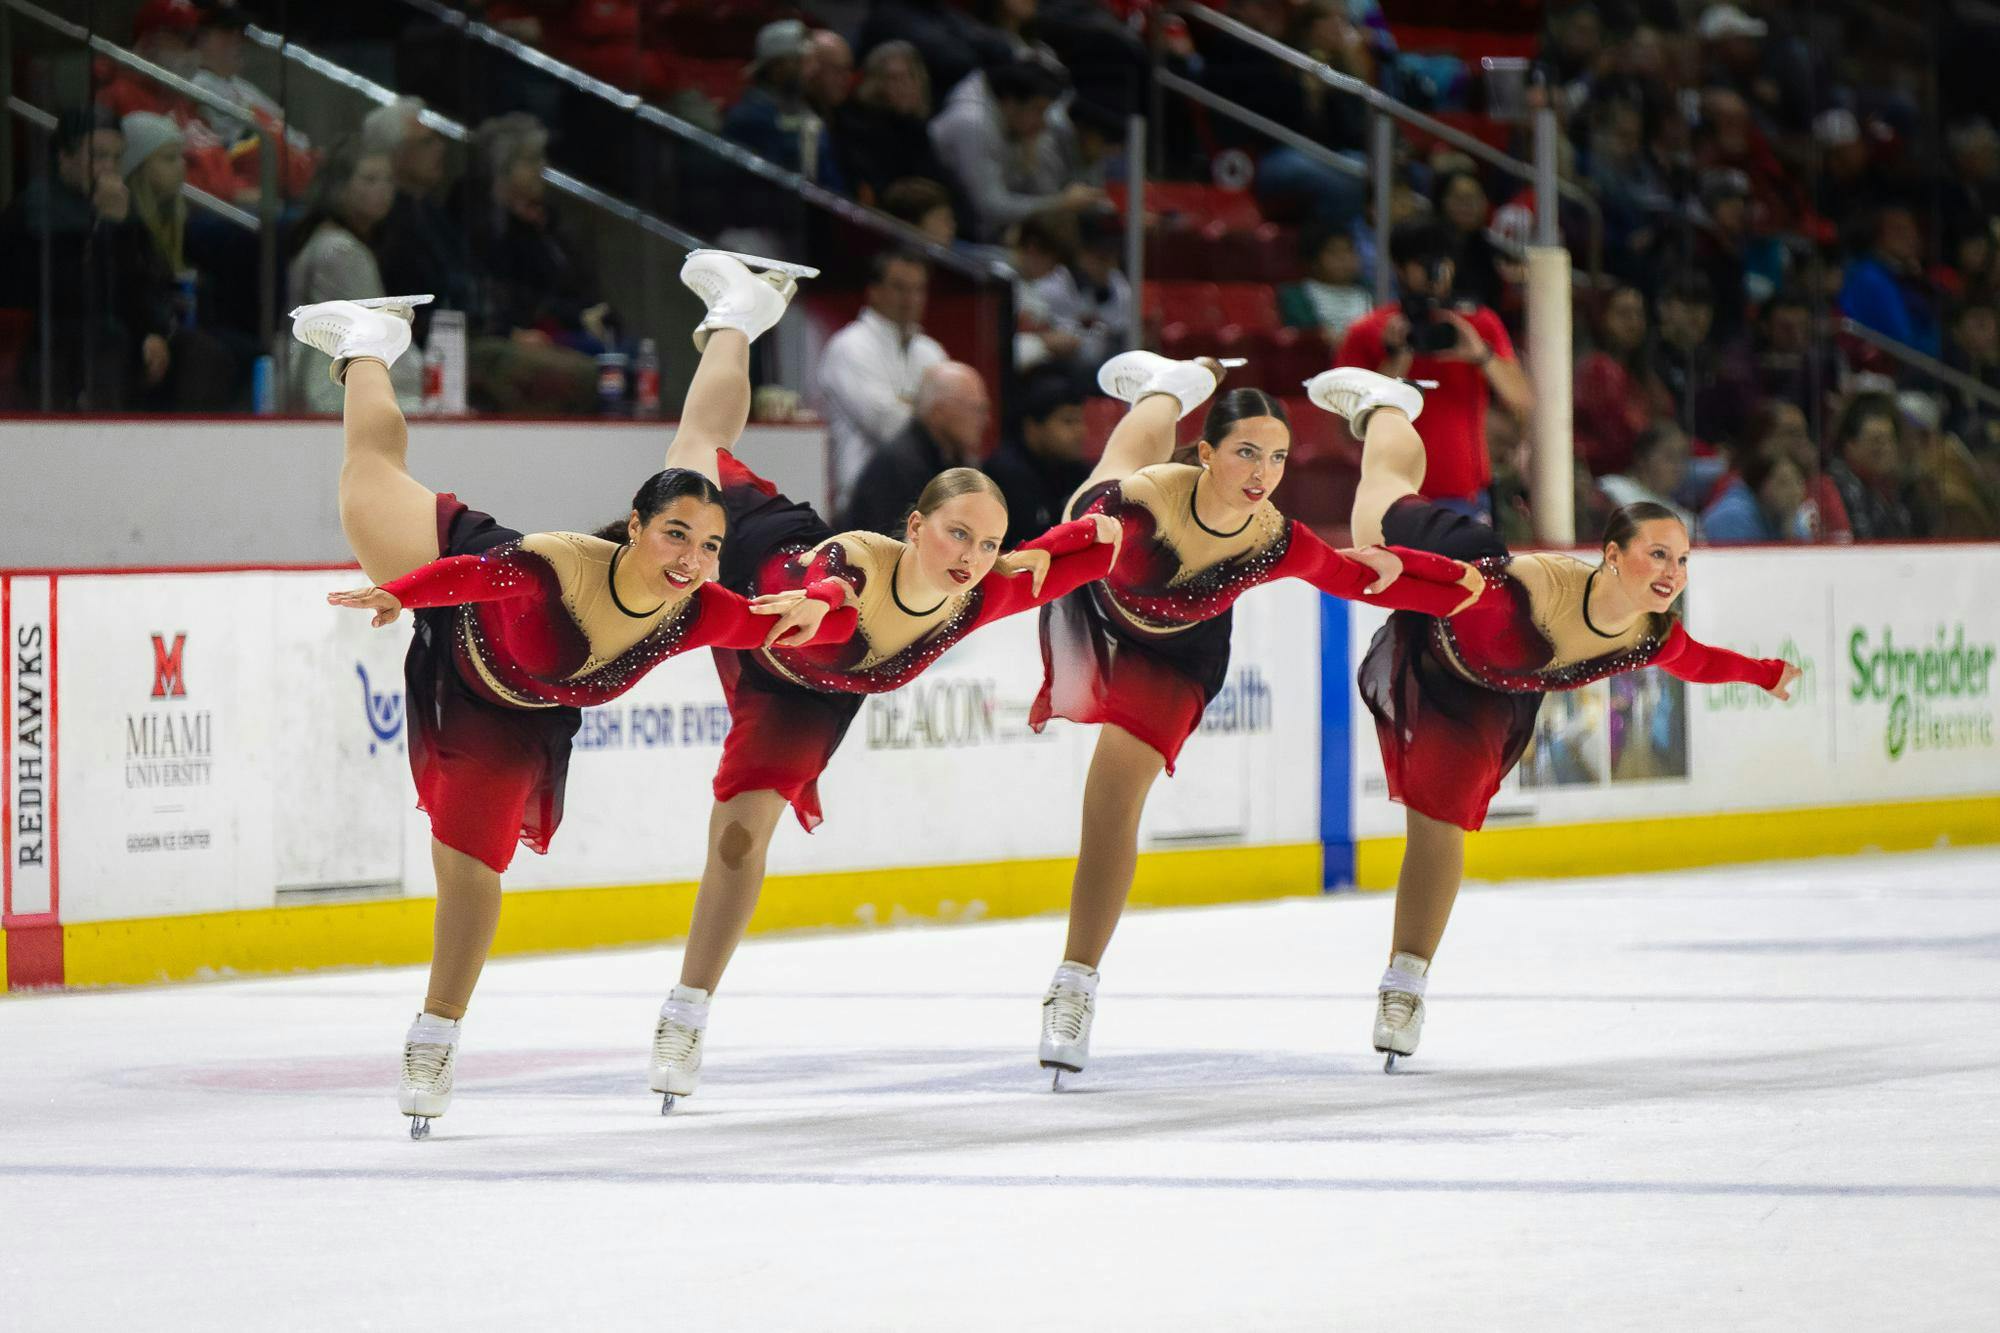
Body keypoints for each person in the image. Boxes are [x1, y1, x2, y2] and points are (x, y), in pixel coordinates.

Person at [296, 261, 856, 1136]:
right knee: (366, 474)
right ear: (634, 527)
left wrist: (818, 599)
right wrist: (402, 592)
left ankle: (434, 1033)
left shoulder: (698, 607)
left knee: (473, 867)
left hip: (513, 712)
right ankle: (370, 346)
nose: (692, 558)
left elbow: (805, 632)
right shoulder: (560, 563)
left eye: (709, 545)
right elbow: (474, 574)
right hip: (466, 601)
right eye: (676, 534)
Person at [644, 252, 1127, 1110]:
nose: (969, 558)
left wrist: (1137, 516)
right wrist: (813, 607)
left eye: (985, 544)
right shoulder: (857, 562)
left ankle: (686, 1012)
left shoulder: (978, 592)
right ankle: (737, 315)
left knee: (738, 837)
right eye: (954, 536)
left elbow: (1074, 549)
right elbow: (835, 592)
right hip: (763, 568)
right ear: (915, 524)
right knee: (694, 455)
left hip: (800, 693)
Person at [1305, 365, 1797, 1070]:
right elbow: (1442, 586)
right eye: (1658, 554)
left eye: (1682, 558)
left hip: (1487, 693)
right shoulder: (1541, 590)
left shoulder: (1649, 632)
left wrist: (1765, 674)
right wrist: (1344, 566)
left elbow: (1699, 662)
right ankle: (1389, 409)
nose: (1672, 571)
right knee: (1376, 502)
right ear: (1612, 554)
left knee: (1439, 821)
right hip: (1449, 575)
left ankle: (1403, 986)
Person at [1025, 352, 1488, 1084]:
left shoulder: (1271, 536)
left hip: (1178, 654)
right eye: (1245, 452)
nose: (1262, 472)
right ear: (1205, 452)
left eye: (1276, 457)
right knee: (1121, 457)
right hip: (1104, 586)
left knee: (1115, 792)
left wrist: (1454, 586)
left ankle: (1073, 987)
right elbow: (1035, 567)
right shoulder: (1137, 508)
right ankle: (1170, 388)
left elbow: (1353, 574)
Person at [1336, 221, 1533, 521]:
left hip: (1466, 497)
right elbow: (1347, 423)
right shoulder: (1368, 331)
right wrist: (1398, 354)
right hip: (1391, 499)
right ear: (1400, 269)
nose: (1434, 272)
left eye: (1442, 262)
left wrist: (1481, 355)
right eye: (1422, 263)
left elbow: (1522, 398)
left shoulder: (1476, 324)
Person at [284, 139, 418, 413]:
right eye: (369, 179)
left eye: (388, 180)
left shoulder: (329, 240)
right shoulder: (341, 251)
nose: (383, 190)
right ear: (339, 186)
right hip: (333, 387)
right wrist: (426, 371)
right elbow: (379, 332)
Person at [816, 251, 948, 509]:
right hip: (861, 499)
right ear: (874, 290)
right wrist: (927, 410)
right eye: (899, 288)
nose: (911, 299)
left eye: (918, 289)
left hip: (923, 497)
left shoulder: (931, 350)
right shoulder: (849, 346)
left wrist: (908, 405)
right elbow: (887, 423)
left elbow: (951, 421)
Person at [928, 59, 1105, 243]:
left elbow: (1029, 191)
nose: (1043, 124)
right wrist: (1060, 204)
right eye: (1038, 110)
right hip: (953, 232)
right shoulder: (972, 124)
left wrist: (1027, 161)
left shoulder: (1016, 127)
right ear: (1010, 102)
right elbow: (991, 208)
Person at [836, 362, 992, 535]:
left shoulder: (949, 458)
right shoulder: (901, 467)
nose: (985, 420)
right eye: (977, 409)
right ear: (939, 412)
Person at [362, 97, 470, 343]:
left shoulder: (431, 211)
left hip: (460, 330)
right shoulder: (387, 219)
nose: (440, 148)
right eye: (426, 143)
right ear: (395, 154)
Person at [722, 20, 845, 190]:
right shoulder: (749, 118)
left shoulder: (810, 118)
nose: (813, 70)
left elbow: (831, 185)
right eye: (803, 61)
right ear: (777, 67)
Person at [1572, 284, 1675, 477]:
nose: (1633, 322)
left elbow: (1666, 417)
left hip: (1645, 469)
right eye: (1623, 314)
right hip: (1606, 474)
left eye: (1638, 314)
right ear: (1602, 317)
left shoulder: (1640, 371)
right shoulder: (1597, 368)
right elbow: (1619, 439)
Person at [984, 367, 1090, 548]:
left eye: (1081, 421)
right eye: (1068, 421)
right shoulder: (1005, 477)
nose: (1081, 432)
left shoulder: (1076, 470)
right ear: (1032, 427)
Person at [834, 41, 947, 206]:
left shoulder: (917, 131)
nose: (905, 86)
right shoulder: (859, 127)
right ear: (875, 83)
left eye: (911, 77)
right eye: (894, 78)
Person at [1828, 392, 1919, 540]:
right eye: (1876, 441)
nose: (1885, 449)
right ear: (1850, 446)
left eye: (1890, 440)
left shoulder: (1896, 490)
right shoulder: (1838, 488)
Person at [1598, 422, 1699, 536]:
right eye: (1669, 456)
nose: (1678, 466)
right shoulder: (1612, 490)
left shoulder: (1686, 521)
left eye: (1683, 457)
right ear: (1642, 458)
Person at [1278, 228, 1373, 348]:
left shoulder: (1369, 290)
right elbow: (1302, 334)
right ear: (1314, 260)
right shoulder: (1297, 295)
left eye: (1349, 250)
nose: (1343, 258)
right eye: (1333, 252)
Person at [1702, 446, 1810, 543]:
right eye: (1784, 483)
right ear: (1760, 485)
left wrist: (1790, 527)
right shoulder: (1732, 516)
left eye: (1798, 482)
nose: (1795, 491)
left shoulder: (1789, 513)